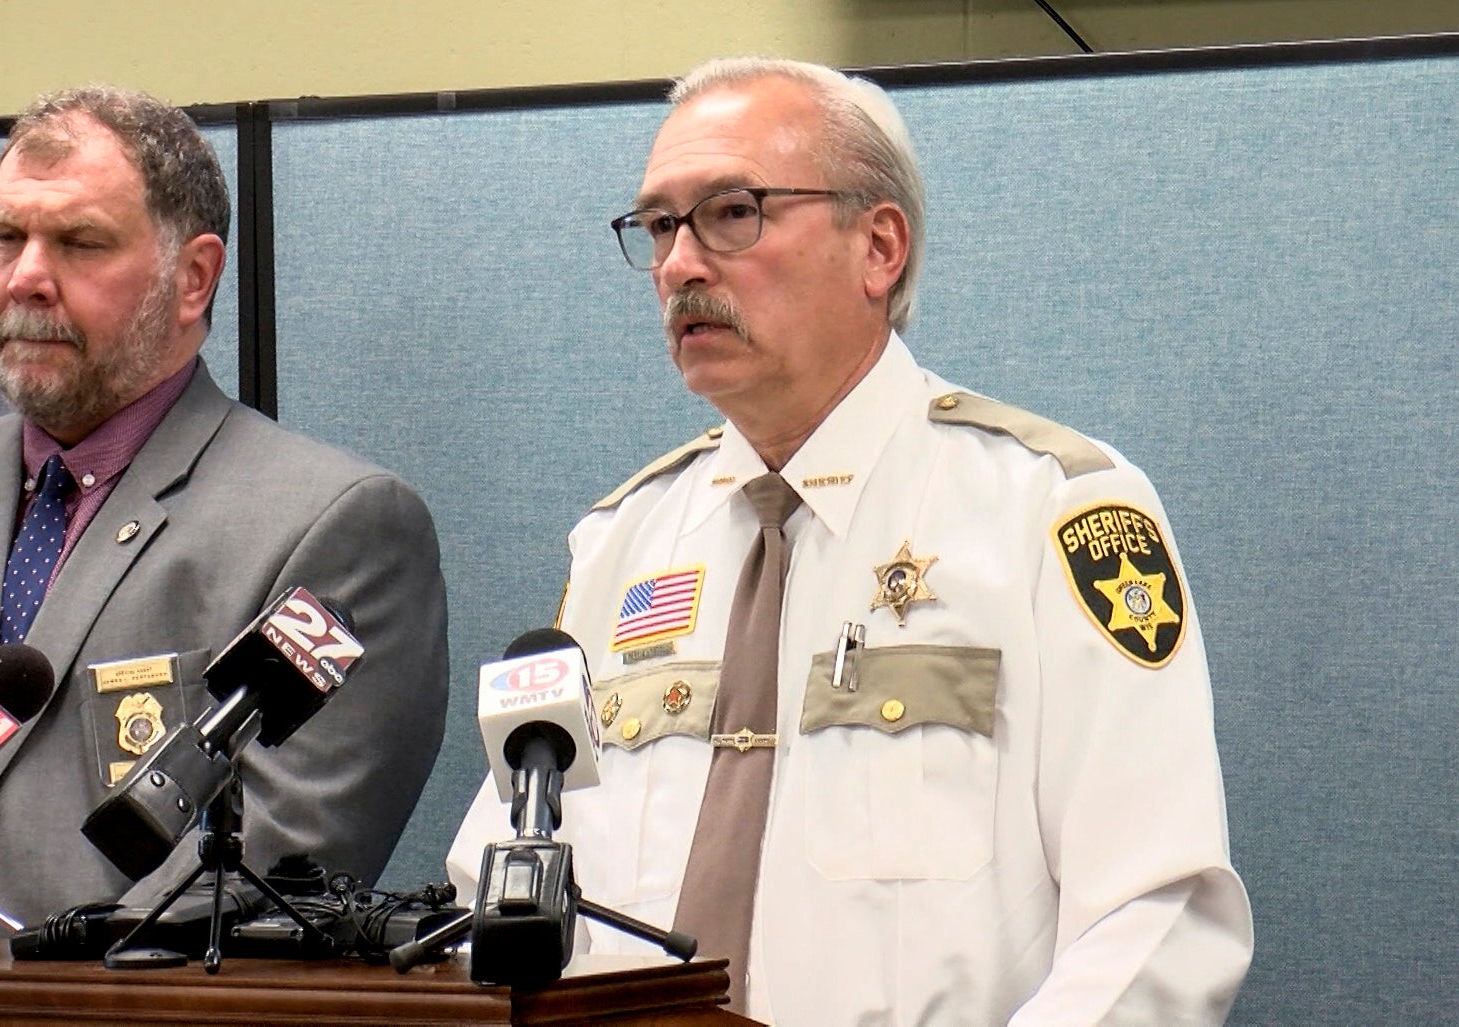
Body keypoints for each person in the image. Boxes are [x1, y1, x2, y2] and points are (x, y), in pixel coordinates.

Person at [449, 56, 1252, 1023]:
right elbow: (492, 891)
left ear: (879, 247)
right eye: (660, 224)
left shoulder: (1053, 513)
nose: (679, 263)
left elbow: (1157, 913)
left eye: (731, 211)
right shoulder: (622, 543)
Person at [0, 87, 448, 935]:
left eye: (80, 243)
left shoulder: (336, 527)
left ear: (193, 278)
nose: (27, 278)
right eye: (7, 237)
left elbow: (269, 873)